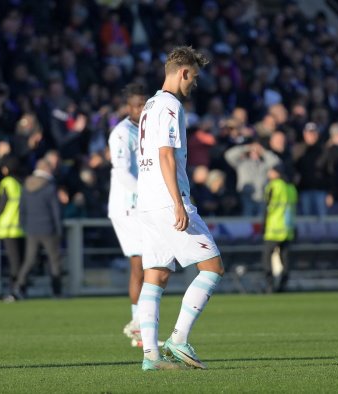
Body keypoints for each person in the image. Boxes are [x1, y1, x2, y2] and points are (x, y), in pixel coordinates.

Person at [136, 46, 224, 371]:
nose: (194, 85)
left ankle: (150, 357)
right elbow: (165, 155)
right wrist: (178, 202)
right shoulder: (171, 106)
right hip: (166, 200)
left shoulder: (149, 106)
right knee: (213, 267)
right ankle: (178, 338)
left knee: (155, 276)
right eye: (194, 78)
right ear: (183, 72)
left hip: (146, 203)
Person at [107, 83, 146, 346]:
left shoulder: (146, 130)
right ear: (129, 107)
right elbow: (121, 171)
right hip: (128, 206)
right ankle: (138, 327)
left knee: (150, 264)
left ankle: (140, 326)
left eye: (146, 104)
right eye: (138, 105)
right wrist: (146, 195)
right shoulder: (121, 133)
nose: (143, 109)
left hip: (142, 205)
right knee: (140, 265)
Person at [12, 159, 63, 299]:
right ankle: (56, 291)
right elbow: (55, 211)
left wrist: (24, 226)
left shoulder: (26, 186)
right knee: (54, 261)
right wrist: (59, 230)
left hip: (31, 229)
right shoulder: (49, 187)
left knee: (29, 260)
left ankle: (18, 286)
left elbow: (22, 209)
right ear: (47, 169)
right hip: (48, 229)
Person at [261, 163, 297, 293]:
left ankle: (269, 284)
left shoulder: (273, 186)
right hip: (288, 229)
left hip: (274, 228)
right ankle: (283, 283)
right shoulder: (291, 188)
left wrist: (264, 224)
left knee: (267, 257)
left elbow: (268, 207)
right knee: (285, 258)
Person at [0, 156, 24, 288]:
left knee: (14, 261)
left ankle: (15, 288)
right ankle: (20, 286)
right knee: (20, 259)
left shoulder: (7, 182)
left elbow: (1, 203)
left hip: (8, 227)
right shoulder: (21, 182)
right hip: (21, 227)